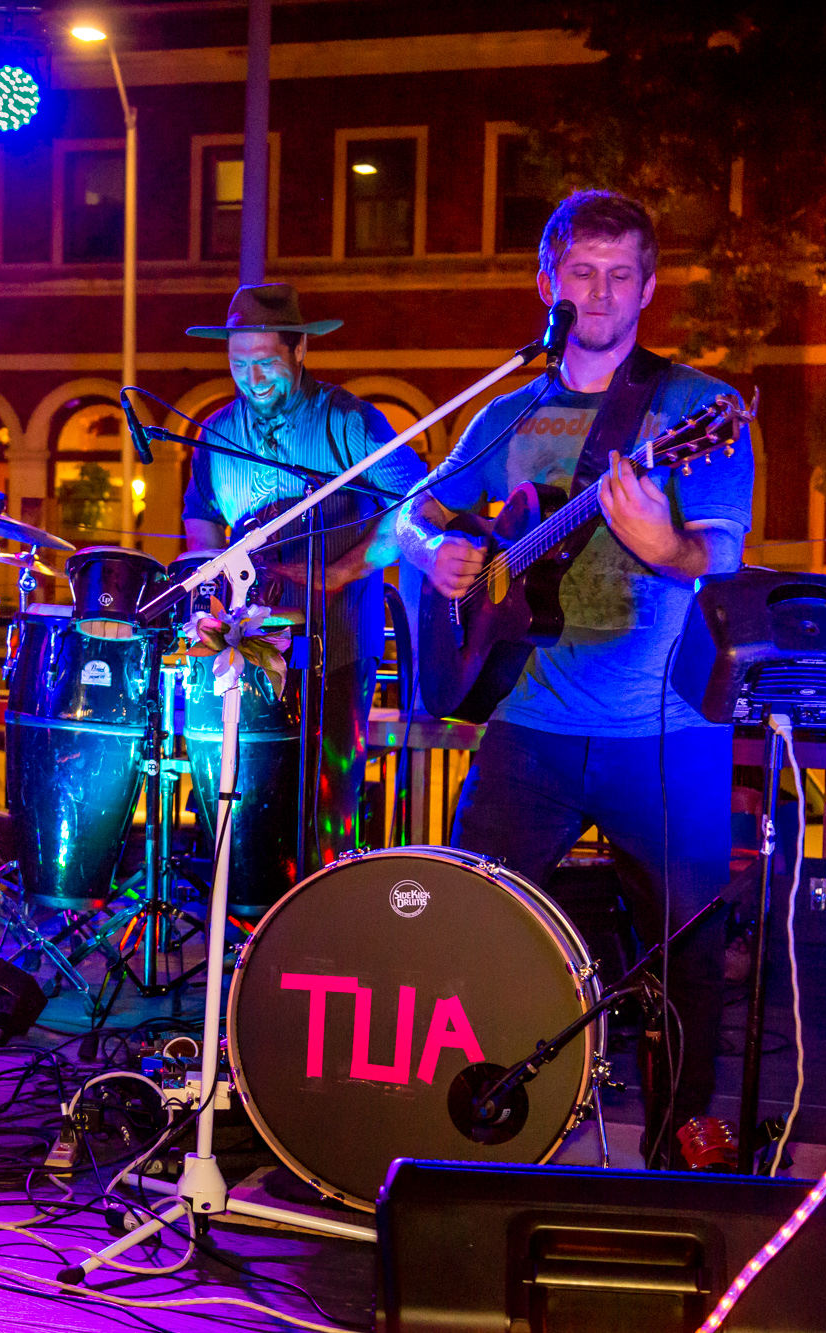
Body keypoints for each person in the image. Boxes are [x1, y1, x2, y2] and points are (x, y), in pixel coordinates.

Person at [394, 191, 754, 1166]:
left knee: (683, 951)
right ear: (545, 281)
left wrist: (664, 541)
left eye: (618, 274)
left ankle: (680, 1142)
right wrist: (436, 552)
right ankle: (482, 1116)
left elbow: (716, 554)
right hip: (527, 723)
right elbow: (409, 513)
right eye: (579, 272)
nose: (597, 293)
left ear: (648, 286)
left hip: (666, 731)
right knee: (480, 929)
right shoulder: (509, 412)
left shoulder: (694, 413)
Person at [182, 283, 426, 859]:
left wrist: (340, 572)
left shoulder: (351, 421)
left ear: (299, 352)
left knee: (326, 800)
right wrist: (212, 595)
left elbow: (418, 506)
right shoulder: (217, 432)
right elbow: (202, 529)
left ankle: (324, 925)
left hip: (334, 642)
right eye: (239, 364)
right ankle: (248, 928)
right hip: (245, 647)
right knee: (244, 798)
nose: (252, 378)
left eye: (266, 362)